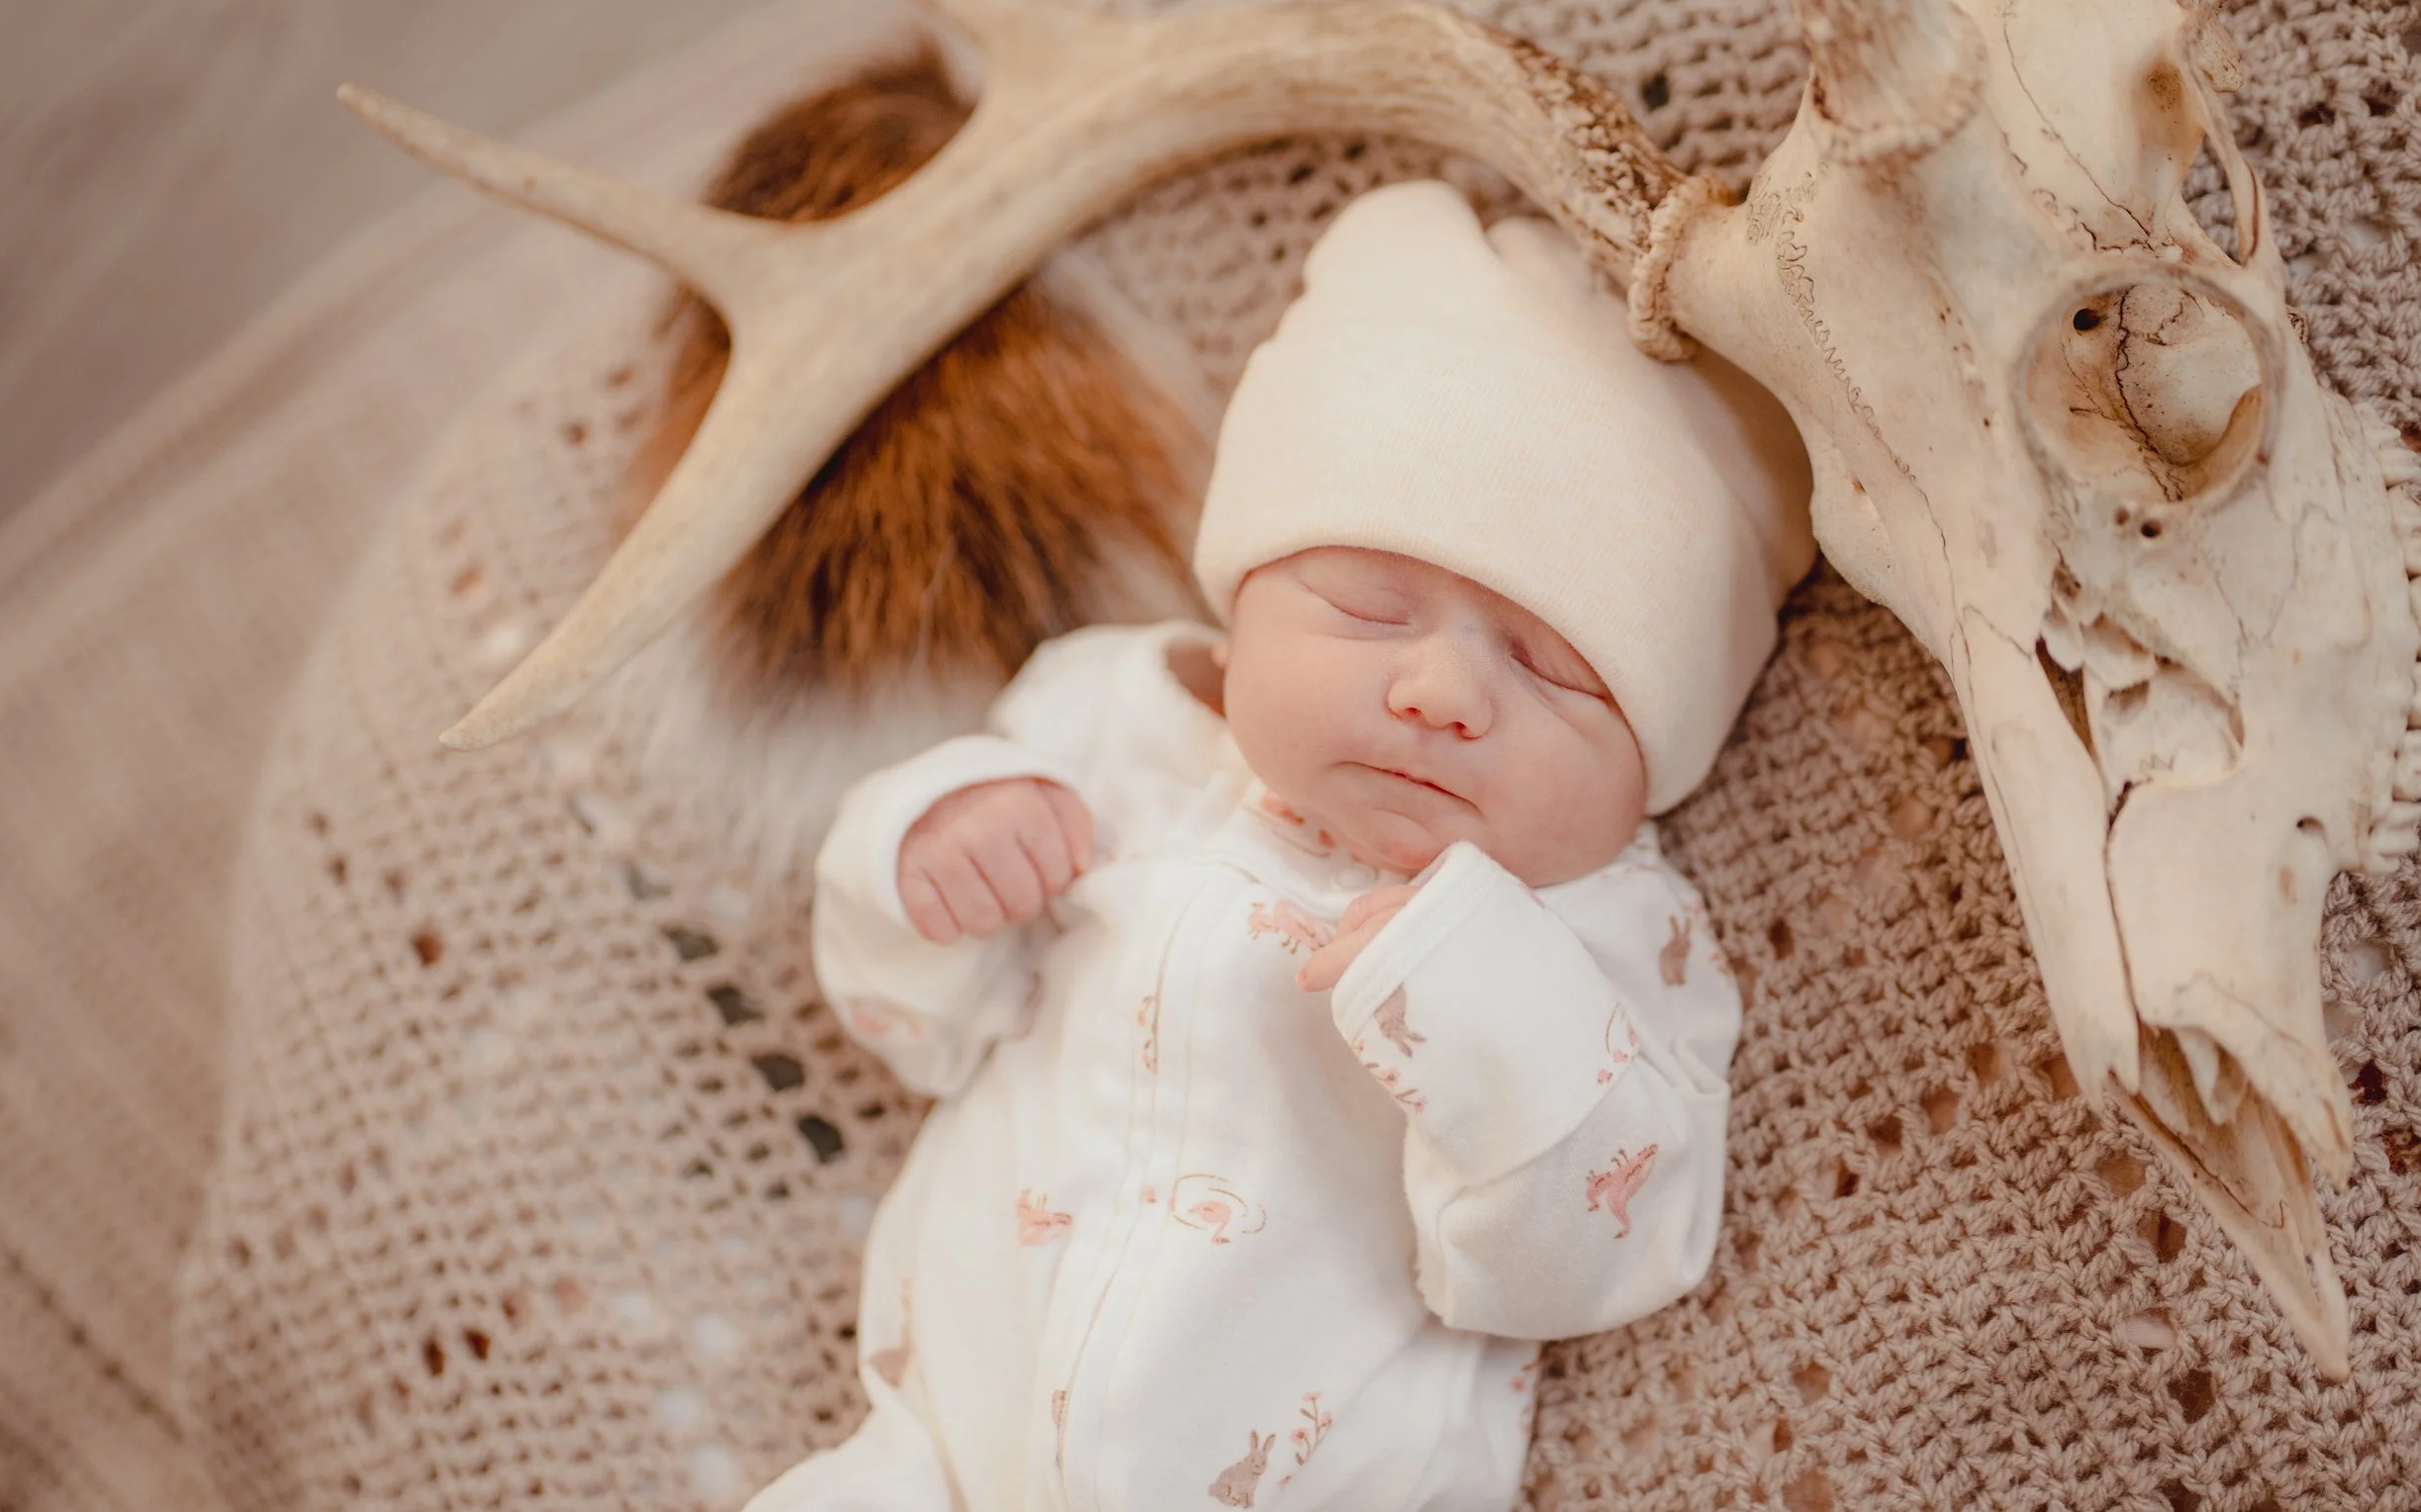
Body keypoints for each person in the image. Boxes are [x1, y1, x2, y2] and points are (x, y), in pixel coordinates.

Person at [747, 178, 1815, 1511]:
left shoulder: (1608, 933)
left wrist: (1494, 1015)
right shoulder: (1109, 723)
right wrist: (926, 856)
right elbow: (914, 1026)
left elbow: (1603, 1255)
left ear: (1658, 756)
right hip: (932, 1462)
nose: (1442, 692)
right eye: (1371, 607)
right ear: (1243, 598)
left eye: (1554, 670)